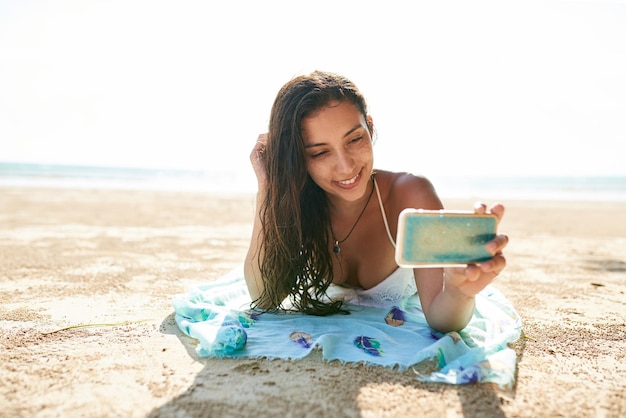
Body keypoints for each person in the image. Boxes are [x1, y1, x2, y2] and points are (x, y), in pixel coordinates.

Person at [244, 70, 508, 333]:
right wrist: (268, 189)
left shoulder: (410, 196)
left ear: (370, 128)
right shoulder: (296, 203)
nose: (346, 166)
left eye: (355, 139)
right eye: (320, 152)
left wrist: (458, 292)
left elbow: (441, 319)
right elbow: (264, 298)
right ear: (297, 158)